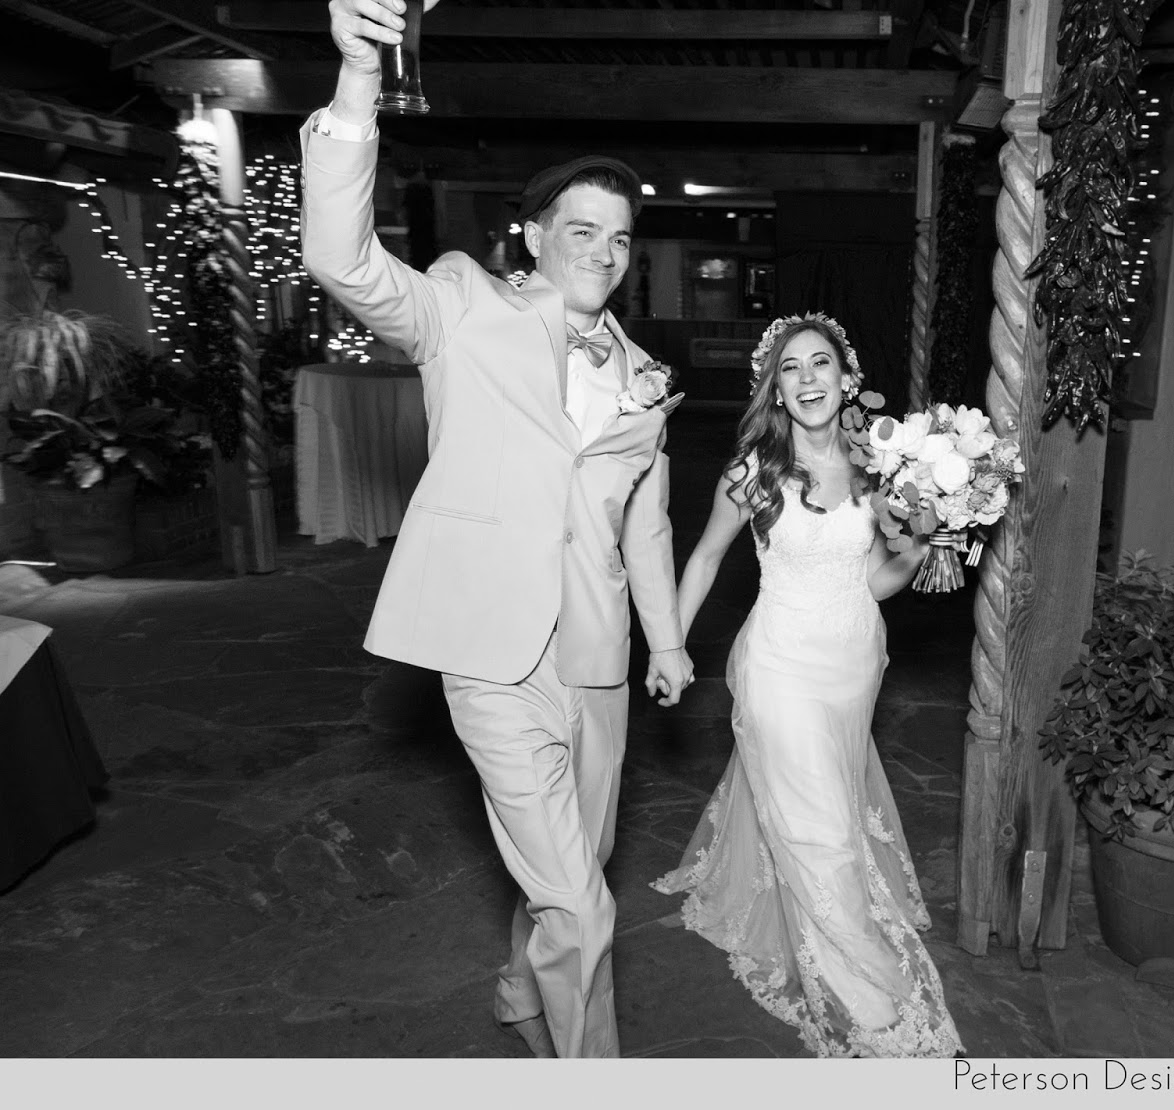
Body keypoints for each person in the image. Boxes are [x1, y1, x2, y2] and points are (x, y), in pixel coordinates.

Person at [301, 0, 694, 1058]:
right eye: (581, 232)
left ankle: (523, 995)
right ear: (531, 233)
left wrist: (663, 640)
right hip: (490, 652)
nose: (604, 254)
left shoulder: (646, 381)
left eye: (619, 239)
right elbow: (343, 260)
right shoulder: (461, 308)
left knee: (570, 870)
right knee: (583, 902)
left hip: (599, 656)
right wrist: (354, 83)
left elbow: (645, 530)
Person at [651, 314, 964, 1058]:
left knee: (823, 804)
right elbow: (701, 561)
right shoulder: (752, 473)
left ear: (846, 379)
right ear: (777, 390)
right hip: (780, 668)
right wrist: (670, 645)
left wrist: (919, 542)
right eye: (791, 369)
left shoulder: (878, 472)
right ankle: (868, 986)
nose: (809, 379)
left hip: (855, 664)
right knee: (820, 829)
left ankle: (785, 896)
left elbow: (876, 581)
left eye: (821, 363)